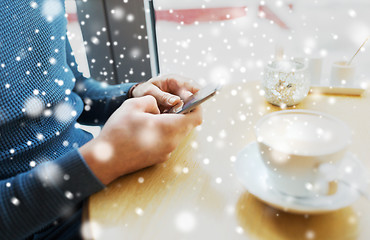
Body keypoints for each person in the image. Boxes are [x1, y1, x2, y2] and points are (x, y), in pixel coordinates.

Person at [0, 1, 202, 239]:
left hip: (97, 183)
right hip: (41, 225)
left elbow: (70, 87)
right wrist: (106, 159)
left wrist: (133, 93)